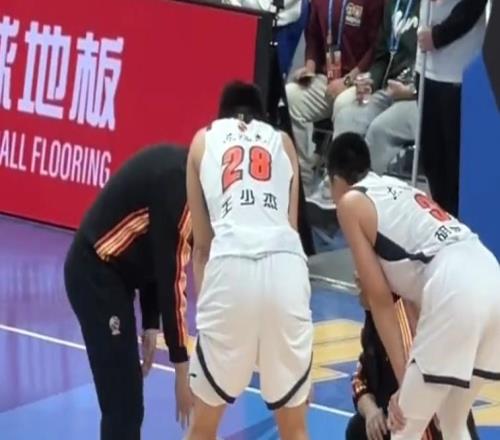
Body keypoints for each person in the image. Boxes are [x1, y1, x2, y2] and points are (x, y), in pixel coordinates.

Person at [326, 132, 500, 439]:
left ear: (336, 180)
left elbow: (380, 299)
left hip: (454, 284)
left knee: (404, 426)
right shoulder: (397, 186)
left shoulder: (350, 203)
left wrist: (404, 380)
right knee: (453, 421)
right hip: (489, 272)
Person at [186, 81, 313, 440]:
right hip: (285, 266)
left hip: (230, 265)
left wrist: (209, 321)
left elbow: (202, 249)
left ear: (221, 115)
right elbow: (291, 231)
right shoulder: (283, 142)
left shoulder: (202, 140)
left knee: (203, 426)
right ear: (262, 117)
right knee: (295, 428)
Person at [64, 145, 193, 440]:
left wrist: (150, 323)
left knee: (128, 402)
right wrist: (181, 369)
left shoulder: (181, 174)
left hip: (113, 278)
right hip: (95, 274)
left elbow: (155, 247)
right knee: (123, 404)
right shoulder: (179, 189)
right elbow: (171, 278)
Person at [346, 274, 479, 440]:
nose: (356, 278)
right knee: (358, 428)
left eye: (362, 272)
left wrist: (408, 393)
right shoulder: (374, 321)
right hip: (400, 415)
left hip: (433, 417)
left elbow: (432, 380)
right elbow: (360, 377)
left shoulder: (405, 317)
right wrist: (371, 411)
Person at [286, 0, 384, 193]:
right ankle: (302, 177)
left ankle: (333, 184)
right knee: (291, 95)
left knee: (342, 104)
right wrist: (310, 67)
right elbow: (313, 36)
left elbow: (376, 48)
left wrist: (348, 80)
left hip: (360, 81)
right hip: (327, 78)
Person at [416, 0, 487, 217]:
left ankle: (458, 220)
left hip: (458, 74)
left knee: (456, 163)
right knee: (431, 158)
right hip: (426, 69)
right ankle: (441, 219)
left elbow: (471, 8)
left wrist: (438, 36)